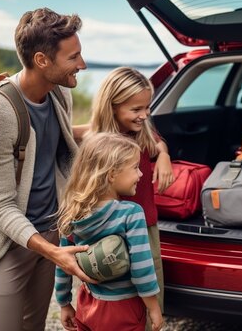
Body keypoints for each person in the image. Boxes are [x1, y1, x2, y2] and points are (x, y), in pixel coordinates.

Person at [0, 7, 96, 331]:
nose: (82, 64)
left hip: (49, 234)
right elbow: (0, 207)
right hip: (7, 244)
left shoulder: (59, 94)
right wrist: (54, 252)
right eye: (74, 57)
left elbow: (59, 148)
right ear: (42, 60)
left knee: (34, 325)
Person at [74, 66, 173, 318]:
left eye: (147, 107)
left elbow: (157, 142)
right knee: (112, 299)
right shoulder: (99, 141)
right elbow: (67, 132)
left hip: (143, 228)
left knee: (151, 290)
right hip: (105, 232)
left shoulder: (142, 132)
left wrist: (163, 155)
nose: (144, 115)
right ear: (112, 106)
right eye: (136, 109)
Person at [55, 132, 164, 331]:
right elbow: (142, 269)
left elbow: (64, 264)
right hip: (124, 308)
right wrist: (154, 306)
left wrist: (64, 303)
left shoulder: (71, 213)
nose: (140, 174)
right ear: (112, 174)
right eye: (135, 168)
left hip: (87, 303)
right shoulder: (131, 213)